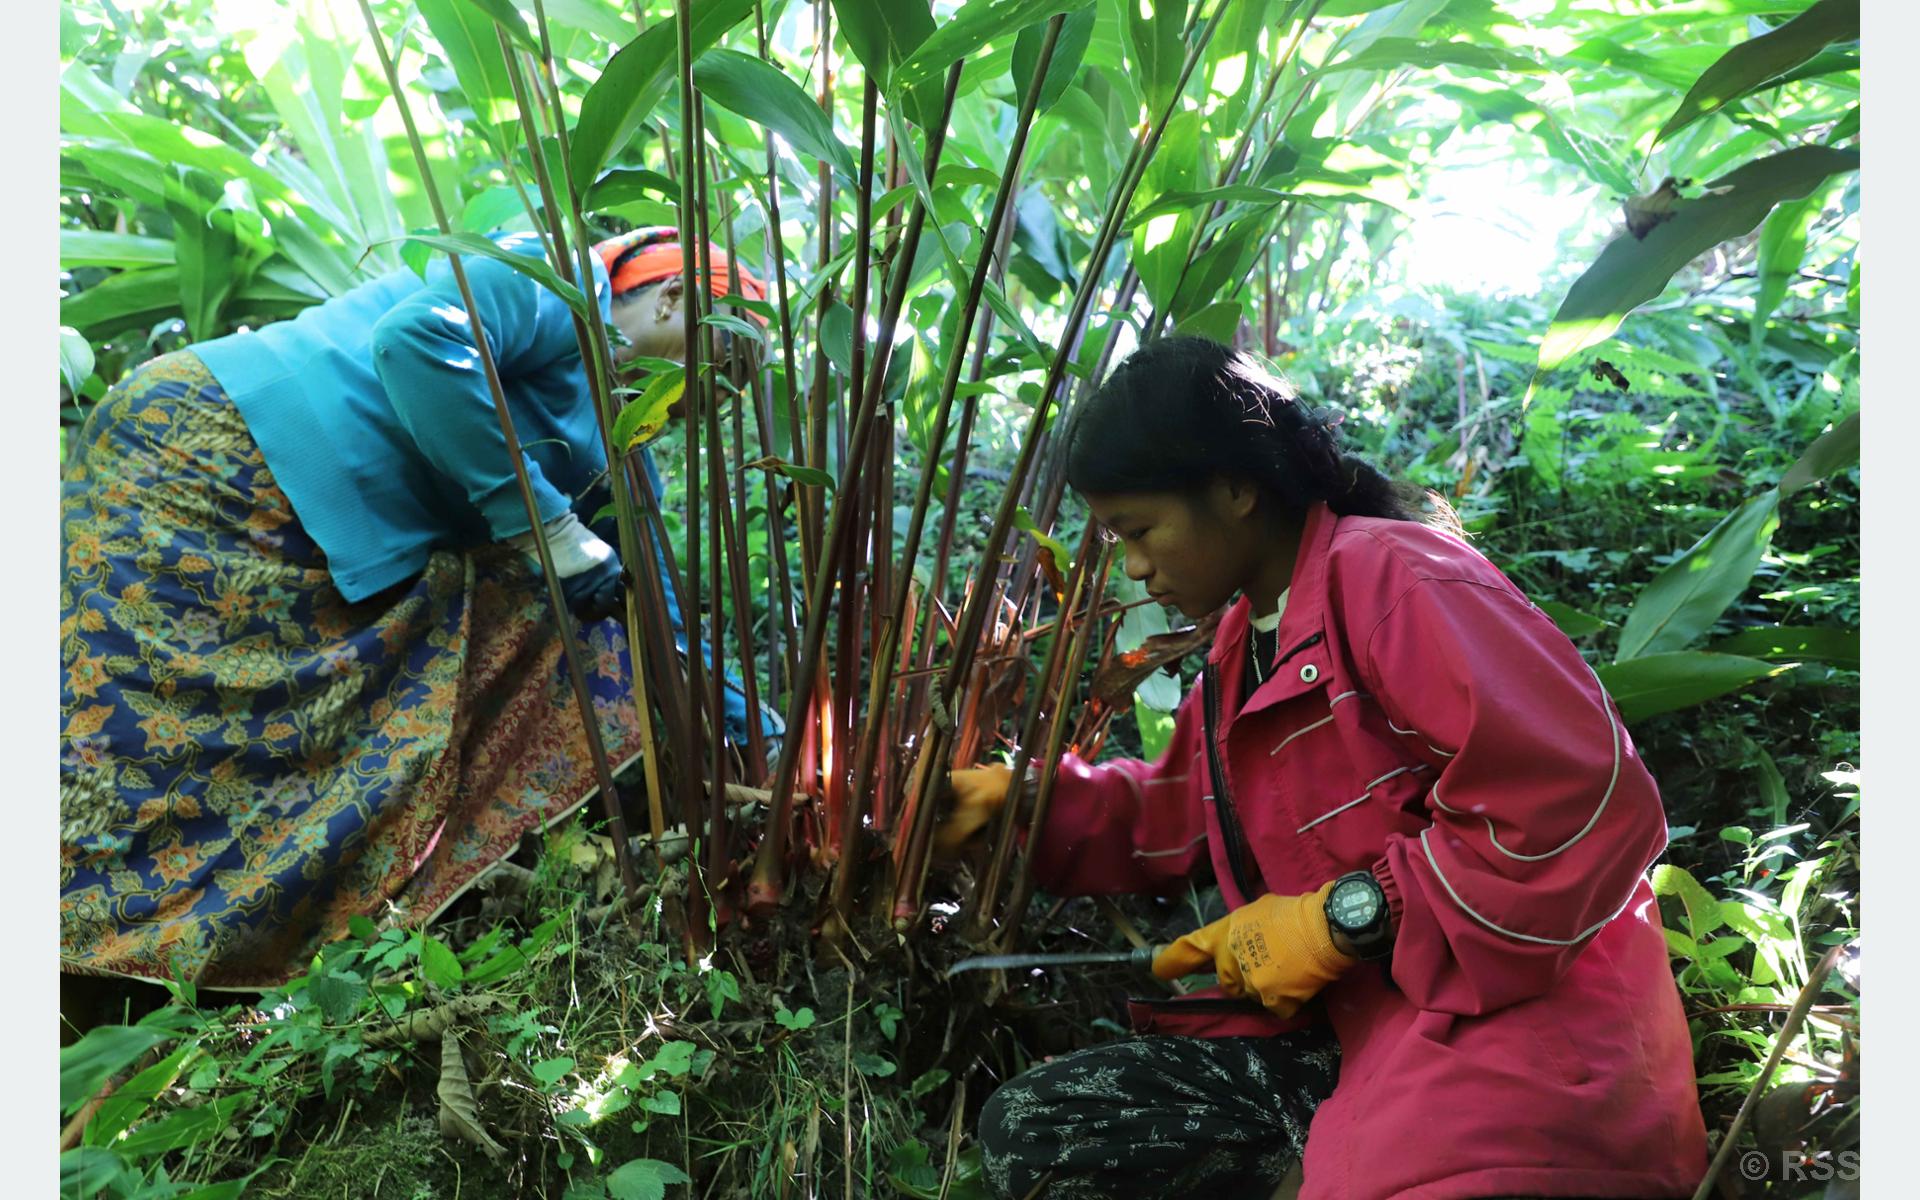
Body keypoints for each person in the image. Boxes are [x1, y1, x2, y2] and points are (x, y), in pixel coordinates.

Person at [938, 336, 1709, 1199]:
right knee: (1040, 1130)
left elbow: (1577, 804)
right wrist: (1024, 801)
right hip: (1364, 1034)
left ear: (1233, 489)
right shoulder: (1243, 646)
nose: (1136, 568)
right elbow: (1173, 810)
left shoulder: (1396, 582)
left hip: (1516, 1036)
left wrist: (1345, 917)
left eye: (1140, 530)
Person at [60, 225, 765, 996]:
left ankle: (150, 957)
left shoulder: (612, 446)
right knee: (126, 734)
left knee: (197, 747)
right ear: (674, 298)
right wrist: (552, 527)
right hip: (211, 453)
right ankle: (83, 931)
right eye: (725, 367)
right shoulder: (562, 279)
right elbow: (418, 342)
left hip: (294, 526)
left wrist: (763, 742)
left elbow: (651, 616)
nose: (714, 406)